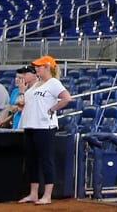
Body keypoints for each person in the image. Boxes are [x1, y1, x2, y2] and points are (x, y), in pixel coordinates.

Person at [21, 55, 71, 205]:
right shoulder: (36, 84)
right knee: (31, 161)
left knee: (46, 160)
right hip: (30, 124)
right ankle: (33, 193)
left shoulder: (53, 83)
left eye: (39, 66)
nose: (36, 68)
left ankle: (47, 195)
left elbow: (67, 98)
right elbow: (26, 103)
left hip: (44, 126)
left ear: (48, 67)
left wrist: (52, 109)